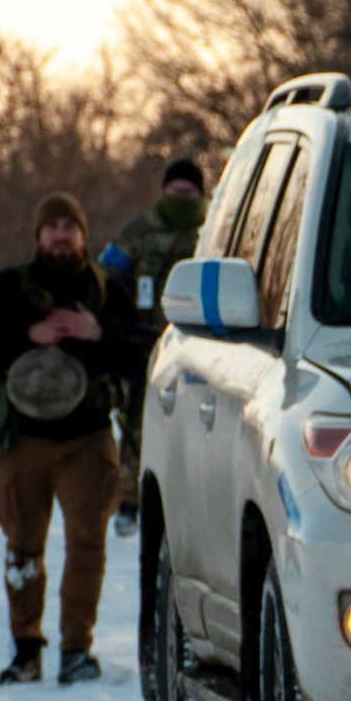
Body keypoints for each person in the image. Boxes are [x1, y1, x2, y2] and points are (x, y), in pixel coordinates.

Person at [0, 192, 129, 687]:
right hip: (23, 438)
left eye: (69, 226)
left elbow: (145, 349)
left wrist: (96, 333)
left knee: (87, 544)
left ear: (83, 234)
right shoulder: (9, 287)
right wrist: (26, 334)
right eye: (52, 226)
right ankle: (26, 648)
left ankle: (77, 649)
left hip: (88, 437)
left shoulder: (107, 291)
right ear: (38, 235)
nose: (61, 235)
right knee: (23, 544)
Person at [98, 157, 205, 536]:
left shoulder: (213, 228)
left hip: (196, 345)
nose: (180, 198)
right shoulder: (141, 227)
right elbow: (107, 273)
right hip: (141, 342)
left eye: (188, 193)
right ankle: (128, 501)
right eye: (174, 191)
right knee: (134, 420)